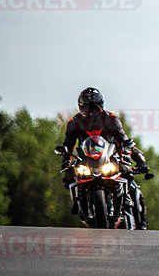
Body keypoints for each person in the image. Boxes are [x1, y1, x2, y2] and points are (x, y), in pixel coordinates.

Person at [60, 87, 148, 226]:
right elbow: (67, 145)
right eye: (88, 107)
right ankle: (77, 202)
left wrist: (127, 155)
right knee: (68, 177)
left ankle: (137, 219)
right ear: (81, 107)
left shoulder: (111, 119)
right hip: (86, 161)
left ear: (101, 104)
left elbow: (123, 139)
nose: (92, 110)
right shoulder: (74, 122)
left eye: (95, 106)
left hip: (110, 157)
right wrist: (66, 161)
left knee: (129, 178)